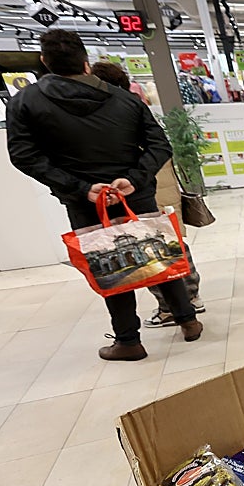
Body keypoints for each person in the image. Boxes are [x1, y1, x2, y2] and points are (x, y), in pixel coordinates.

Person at [6, 29, 202, 361]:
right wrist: (133, 180)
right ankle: (187, 319)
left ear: (44, 61)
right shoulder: (126, 99)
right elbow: (159, 145)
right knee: (157, 253)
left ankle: (128, 340)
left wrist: (81, 188)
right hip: (134, 194)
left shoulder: (26, 101)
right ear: (85, 61)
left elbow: (24, 155)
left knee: (109, 264)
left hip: (85, 203)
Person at [90, 61, 206, 329]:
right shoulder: (135, 108)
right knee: (169, 245)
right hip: (155, 185)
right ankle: (190, 298)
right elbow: (159, 146)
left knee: (146, 252)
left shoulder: (112, 112)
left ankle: (173, 307)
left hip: (139, 192)